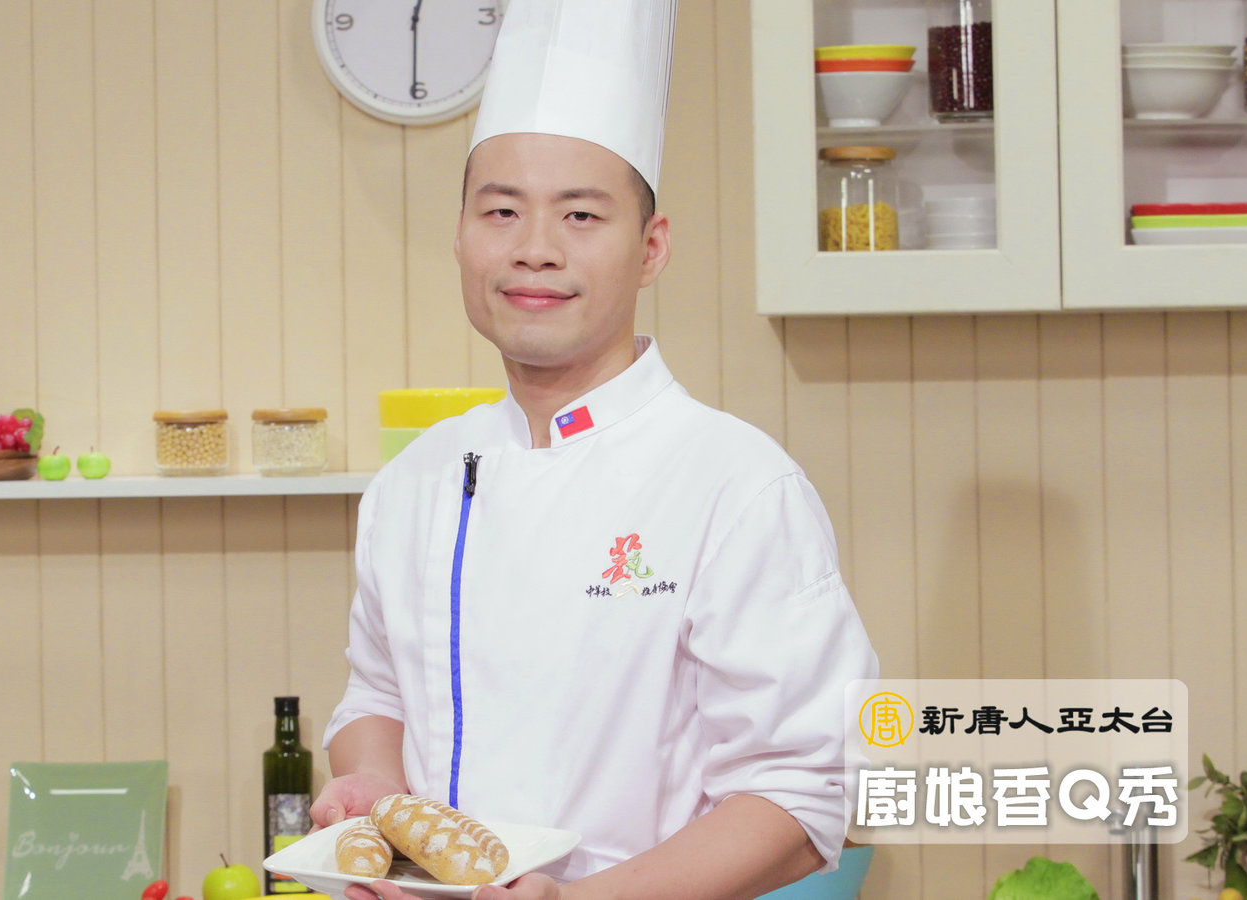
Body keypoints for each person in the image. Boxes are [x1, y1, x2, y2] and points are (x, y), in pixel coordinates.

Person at [310, 3, 878, 898]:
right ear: (460, 235)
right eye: (502, 210)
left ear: (651, 248)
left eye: (580, 214)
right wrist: (374, 785)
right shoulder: (414, 479)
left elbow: (808, 793)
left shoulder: (736, 485)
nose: (535, 250)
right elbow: (376, 694)